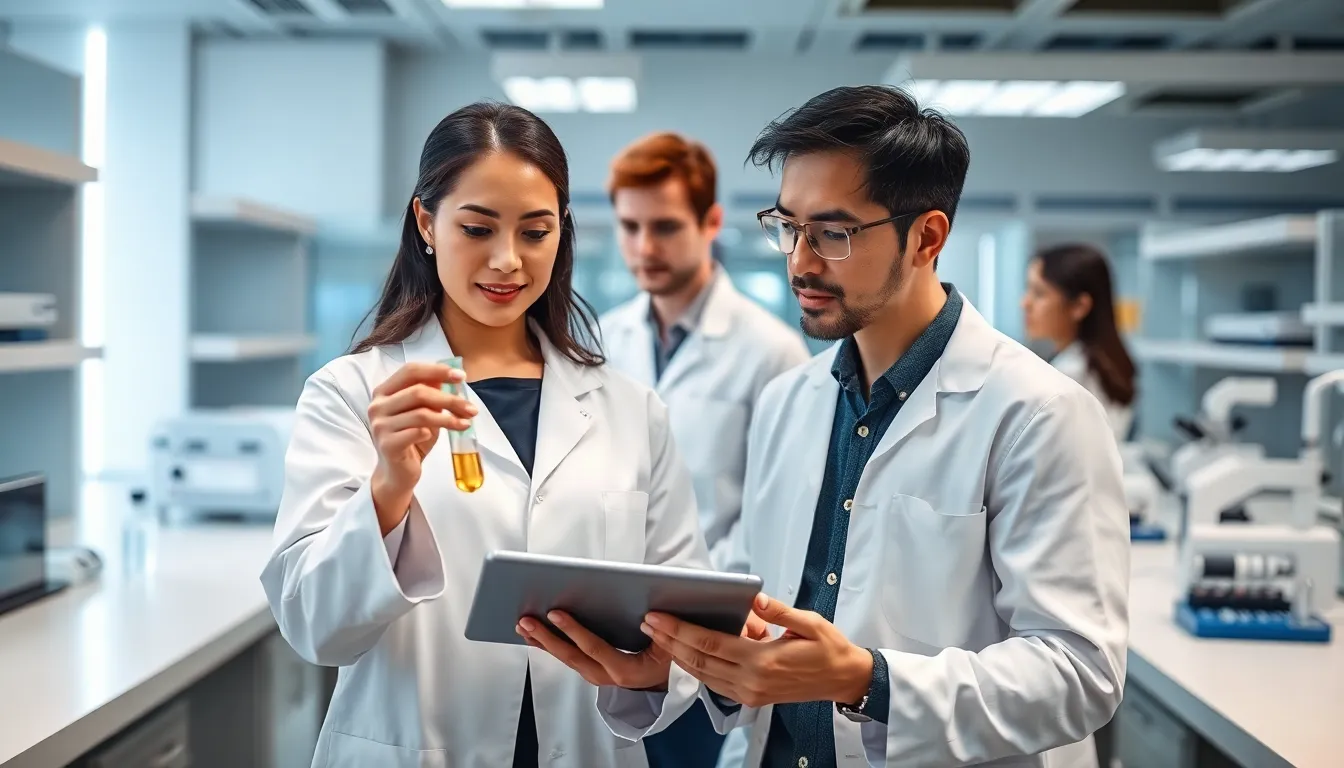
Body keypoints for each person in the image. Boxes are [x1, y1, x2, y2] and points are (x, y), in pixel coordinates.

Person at [522, 85, 1130, 768]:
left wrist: (867, 681)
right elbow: (757, 619)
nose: (800, 261)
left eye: (833, 234)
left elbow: (1081, 674)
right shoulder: (789, 401)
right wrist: (672, 667)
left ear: (927, 237)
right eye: (788, 226)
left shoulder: (1039, 414)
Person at [259, 102, 709, 768]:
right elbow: (311, 626)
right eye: (477, 227)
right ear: (426, 222)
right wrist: (388, 488)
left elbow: (686, 618)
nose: (507, 261)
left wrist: (653, 671)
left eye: (535, 231)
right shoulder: (351, 394)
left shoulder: (629, 409)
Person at [598, 135, 811, 767]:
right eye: (630, 227)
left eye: (665, 226)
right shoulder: (603, 340)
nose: (645, 247)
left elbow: (776, 515)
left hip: (709, 639)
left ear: (711, 222)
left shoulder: (770, 353)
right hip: (613, 633)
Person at [1022, 243, 1138, 442]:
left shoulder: (1072, 377)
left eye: (1039, 293)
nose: (1025, 303)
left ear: (1079, 306)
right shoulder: (1097, 362)